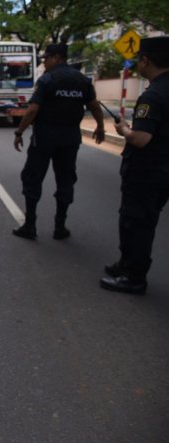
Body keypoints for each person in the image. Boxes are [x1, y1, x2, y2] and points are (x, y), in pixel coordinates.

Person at [12, 44, 104, 240]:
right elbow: (94, 106)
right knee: (66, 180)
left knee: (32, 179)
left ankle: (30, 226)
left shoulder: (47, 80)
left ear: (57, 57)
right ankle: (60, 227)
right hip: (70, 140)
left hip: (44, 139)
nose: (44, 62)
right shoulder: (82, 80)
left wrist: (19, 131)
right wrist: (100, 127)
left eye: (46, 58)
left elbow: (32, 110)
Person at [100, 36, 169, 295]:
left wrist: (124, 129)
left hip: (147, 172)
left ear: (146, 60)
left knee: (136, 222)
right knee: (145, 219)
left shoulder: (152, 96)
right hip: (163, 171)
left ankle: (133, 277)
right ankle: (126, 264)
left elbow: (141, 139)